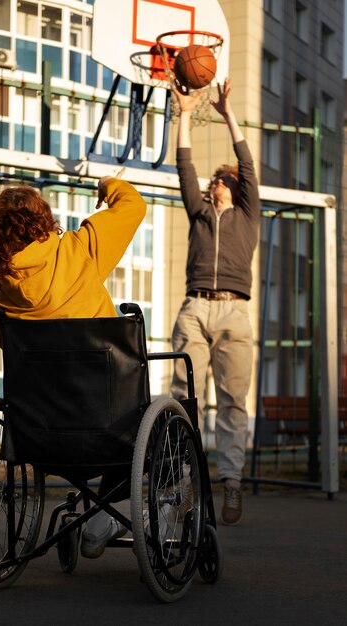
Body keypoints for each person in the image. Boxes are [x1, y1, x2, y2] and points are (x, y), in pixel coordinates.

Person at [0, 173, 146, 557]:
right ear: (45, 221)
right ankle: (107, 517)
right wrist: (108, 186)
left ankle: (96, 520)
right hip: (111, 422)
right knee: (154, 415)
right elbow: (133, 206)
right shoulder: (79, 249)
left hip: (41, 432)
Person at [170, 77, 260, 526]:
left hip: (234, 311)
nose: (220, 181)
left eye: (227, 178)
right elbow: (184, 166)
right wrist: (185, 113)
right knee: (185, 397)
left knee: (232, 400)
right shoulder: (200, 213)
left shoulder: (247, 214)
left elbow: (247, 163)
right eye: (217, 179)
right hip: (196, 307)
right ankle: (184, 481)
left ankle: (231, 481)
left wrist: (228, 114)